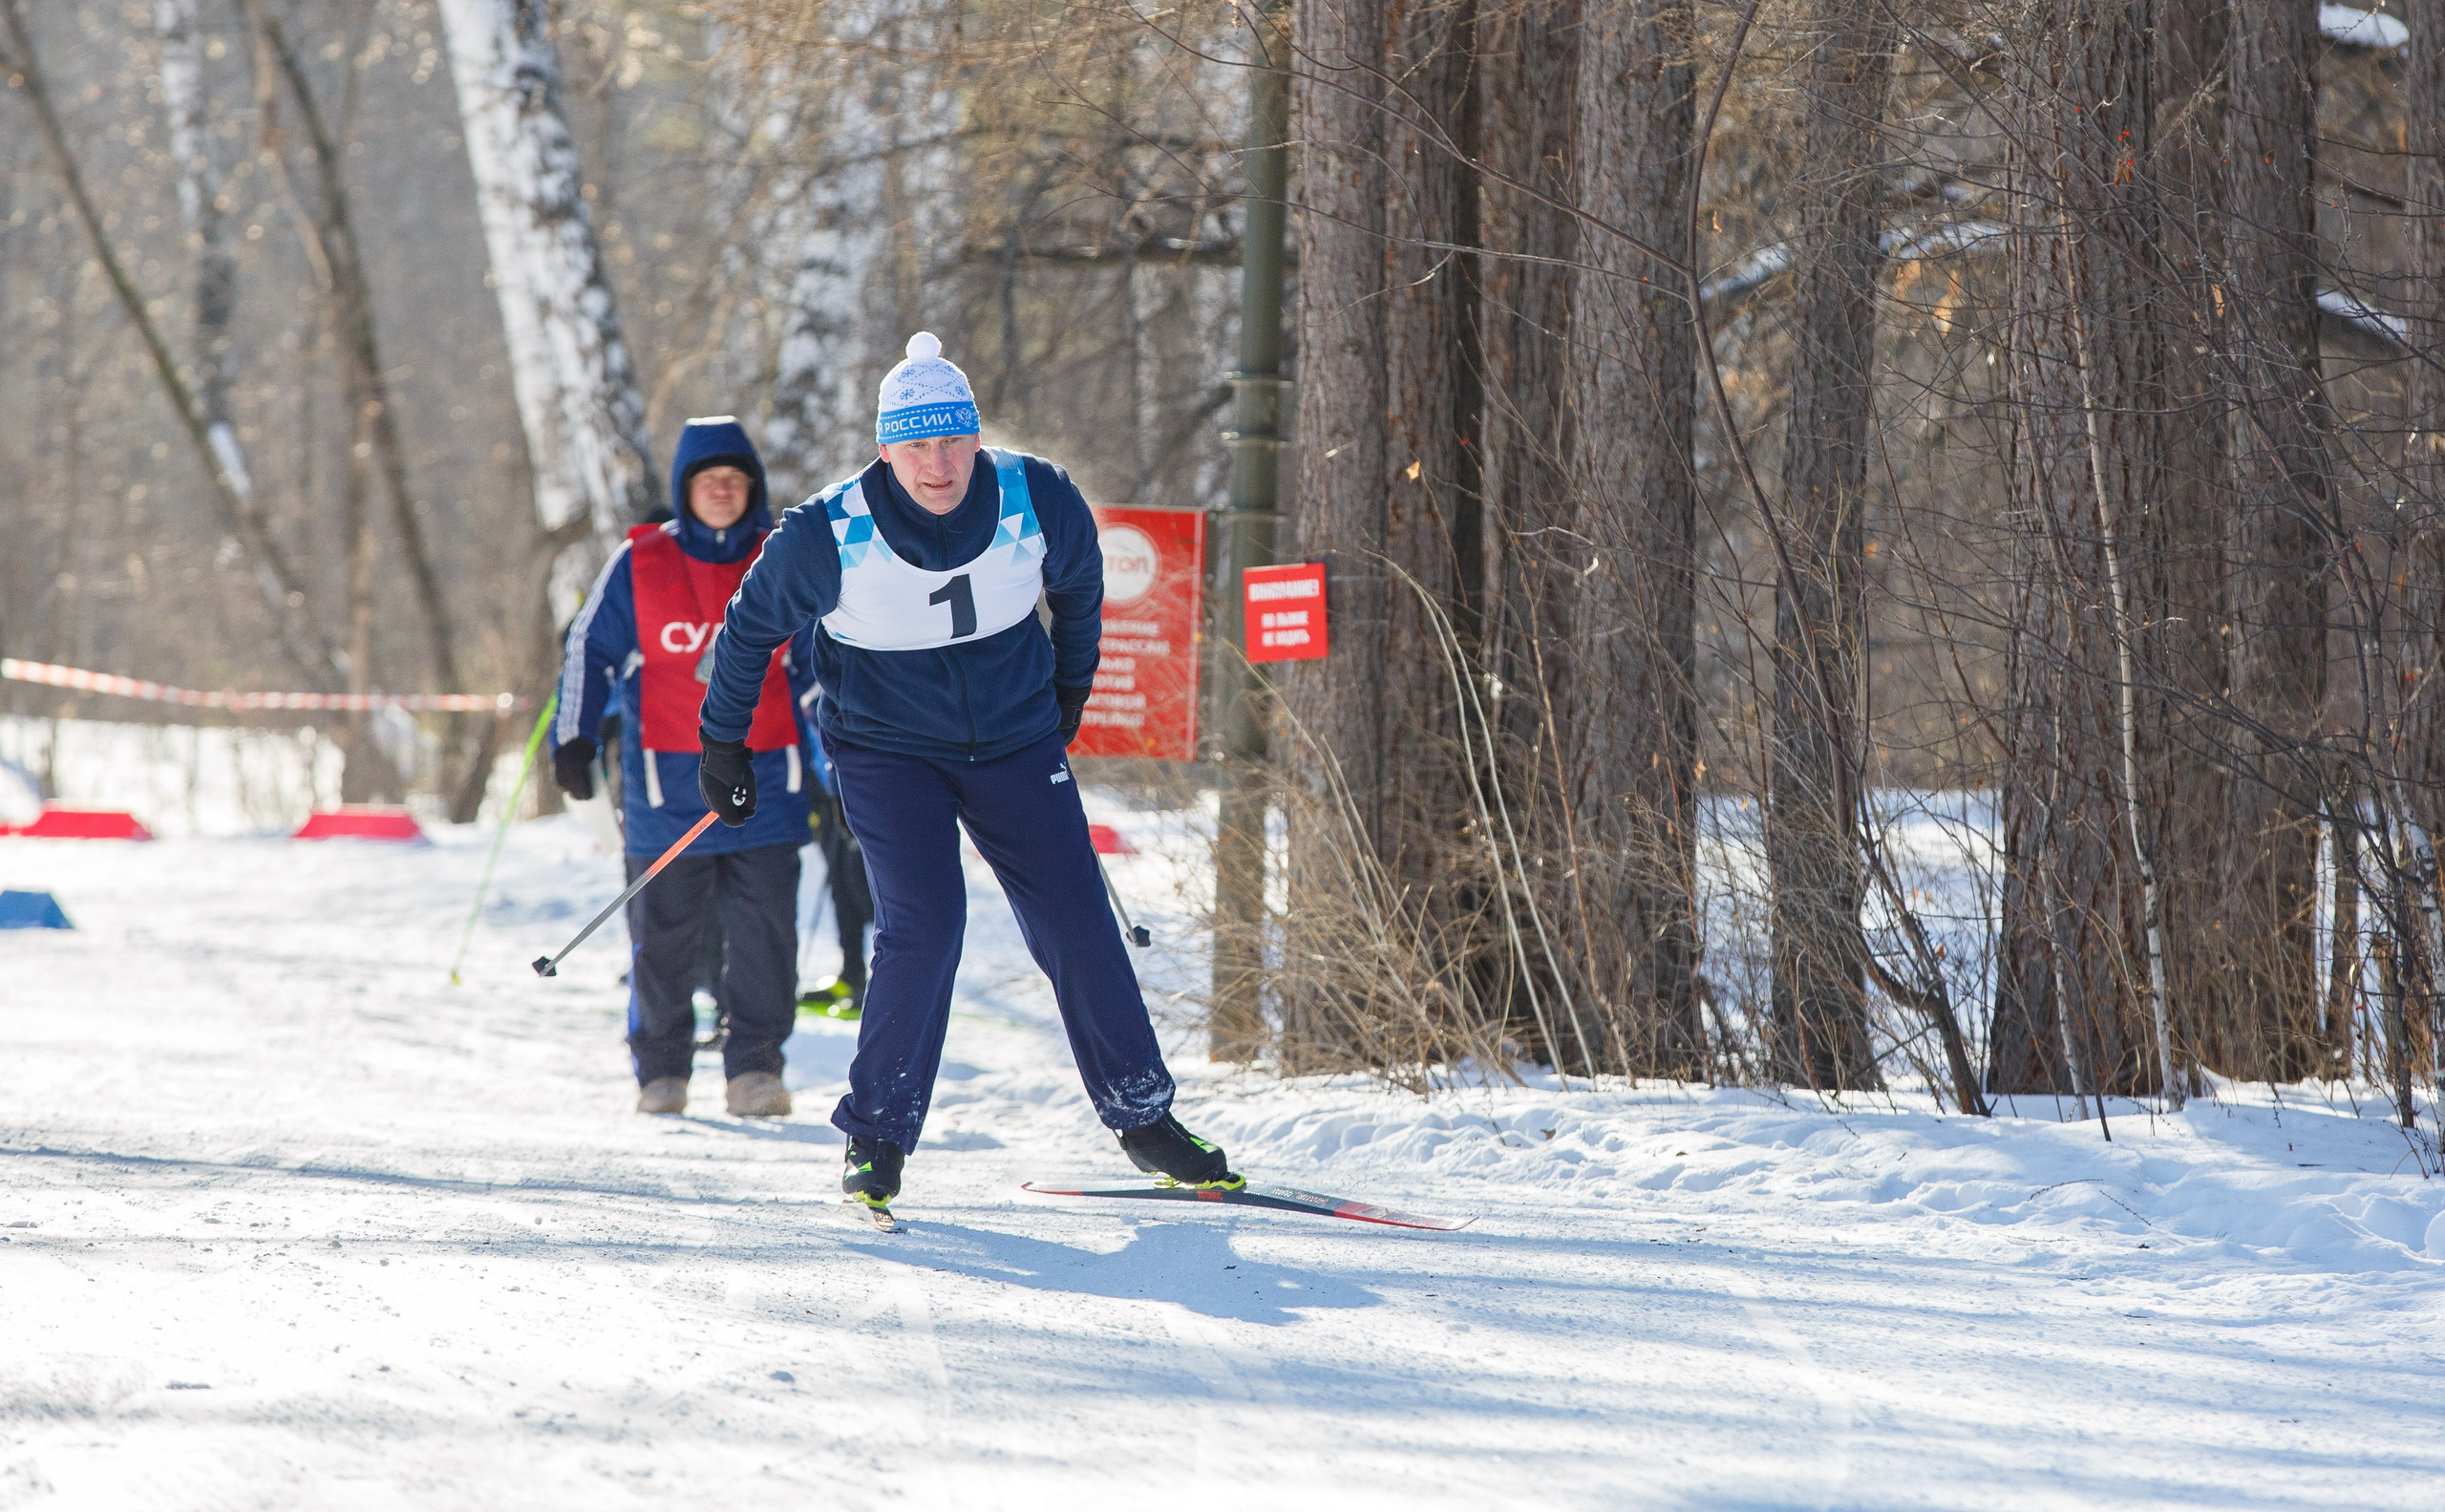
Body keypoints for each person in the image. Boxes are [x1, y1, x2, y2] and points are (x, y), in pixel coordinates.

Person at [697, 332, 1231, 1213]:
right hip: (886, 750)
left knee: (1074, 916)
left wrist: (1067, 695)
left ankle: (1144, 1117)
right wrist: (726, 746)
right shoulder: (828, 531)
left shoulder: (1036, 494)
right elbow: (748, 632)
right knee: (926, 922)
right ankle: (877, 1136)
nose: (938, 464)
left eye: (953, 441)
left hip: (1016, 741)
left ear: (976, 436)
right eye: (917, 445)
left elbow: (1083, 589)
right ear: (885, 447)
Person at [551, 416, 818, 1118]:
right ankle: (661, 1068)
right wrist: (573, 737)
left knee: (765, 937)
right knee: (662, 938)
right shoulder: (641, 561)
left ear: (752, 488)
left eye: (735, 479)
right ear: (686, 489)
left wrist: (851, 759)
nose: (723, 491)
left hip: (769, 781)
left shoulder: (782, 556)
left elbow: (825, 666)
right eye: (708, 480)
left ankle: (755, 1066)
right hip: (665, 786)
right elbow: (589, 649)